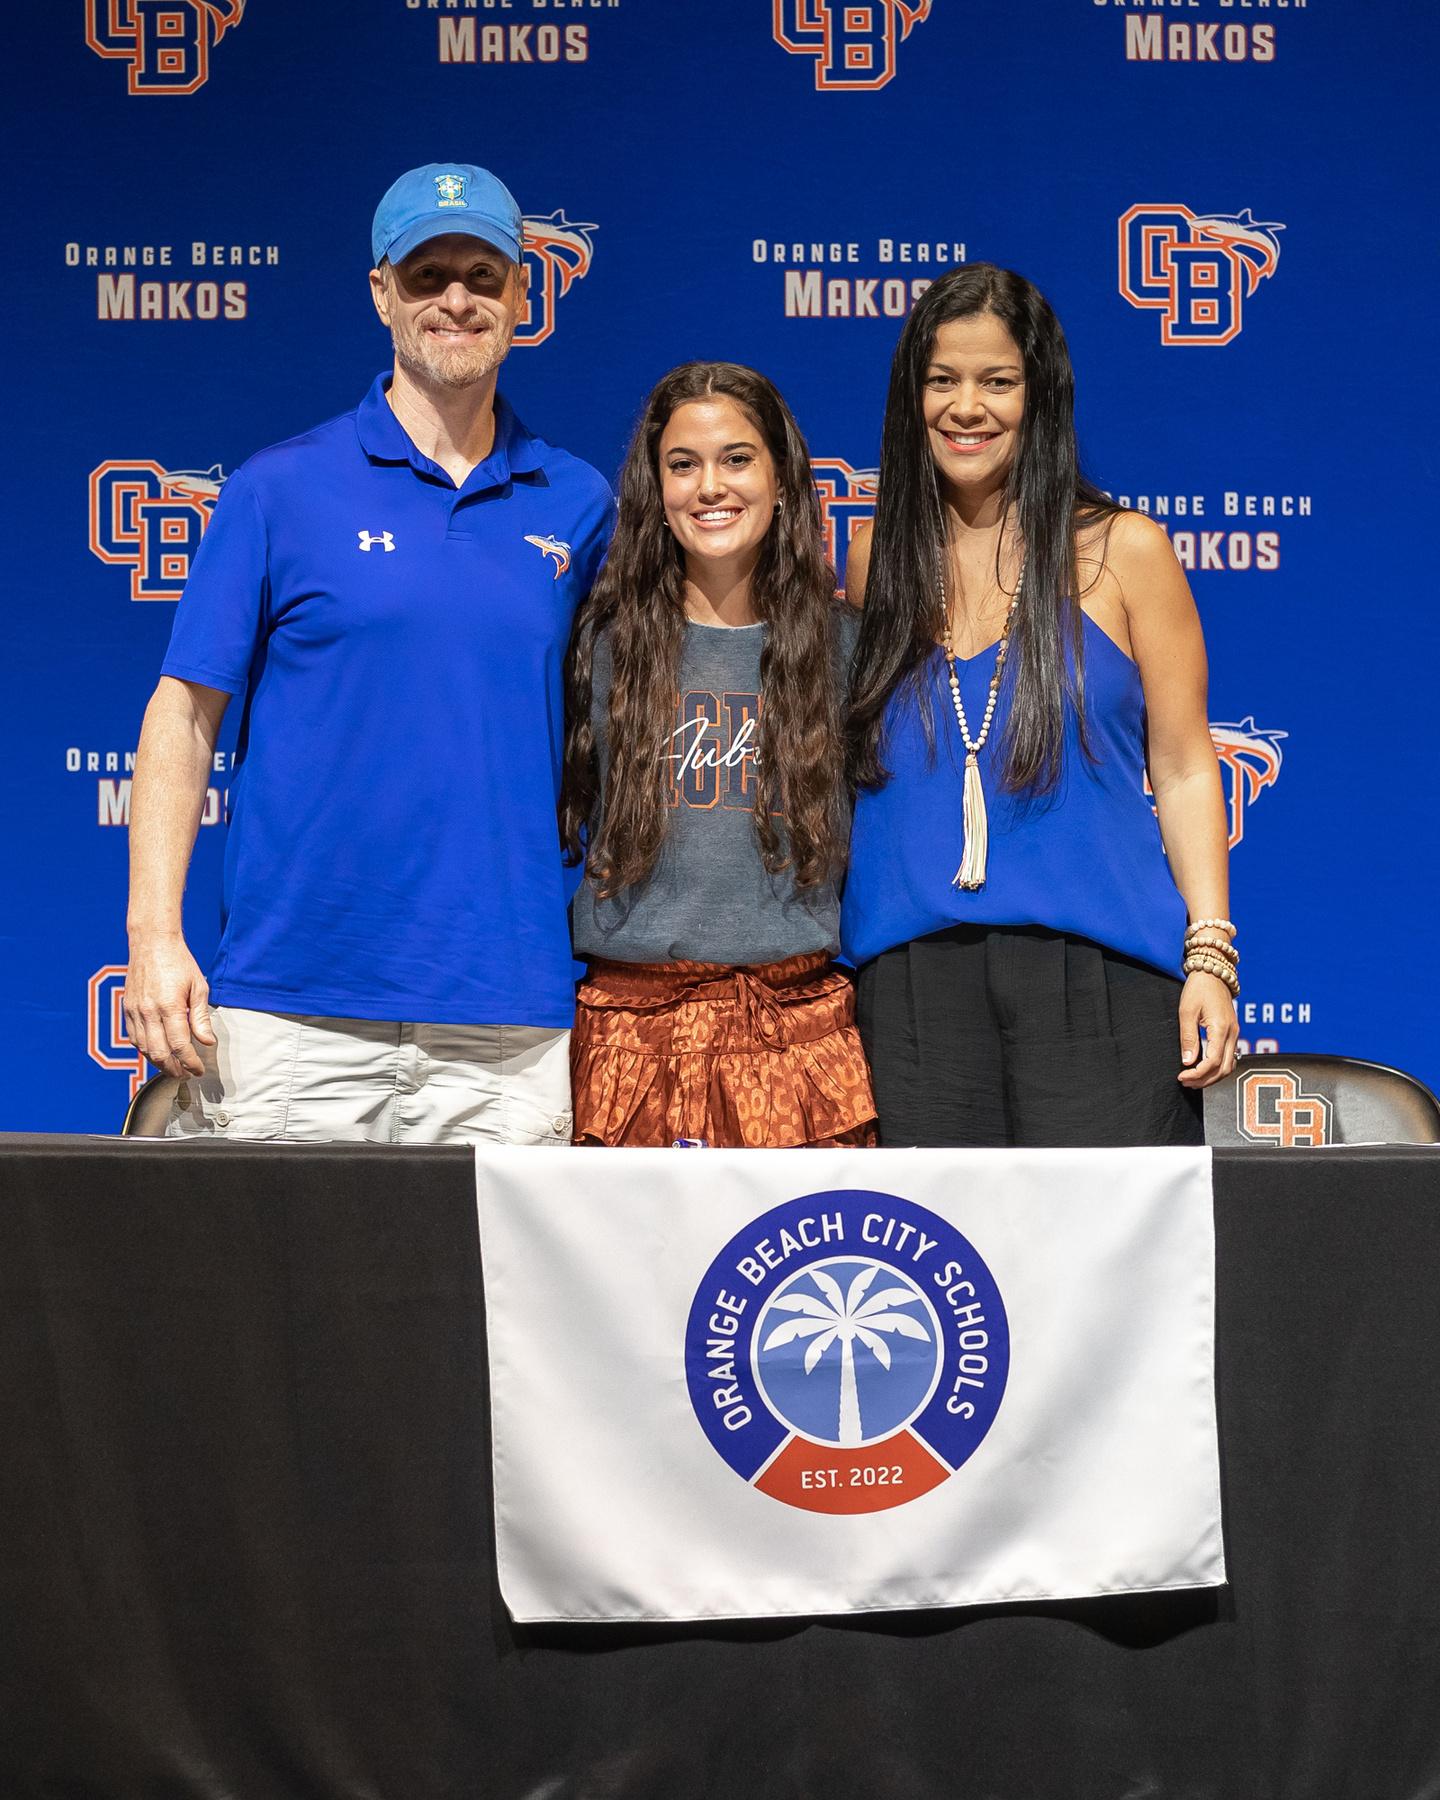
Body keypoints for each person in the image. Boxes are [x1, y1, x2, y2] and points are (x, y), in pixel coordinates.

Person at [122, 163, 613, 1143]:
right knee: (271, 1257)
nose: (457, 299)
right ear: (382, 292)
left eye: (483, 274)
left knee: (494, 1260)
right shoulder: (277, 488)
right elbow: (184, 715)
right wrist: (153, 936)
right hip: (293, 1007)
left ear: (522, 296)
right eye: (428, 275)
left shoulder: (580, 504)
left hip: (507, 1016)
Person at [843, 264, 1238, 1148]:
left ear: (1041, 395)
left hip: (1101, 985)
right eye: (941, 380)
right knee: (938, 1243)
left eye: (997, 381)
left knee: (1109, 1243)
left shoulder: (1125, 551)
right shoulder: (873, 561)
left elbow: (1183, 766)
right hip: (911, 995)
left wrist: (1211, 954)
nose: (966, 407)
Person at [559, 363, 876, 1148]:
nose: (710, 487)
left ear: (782, 478)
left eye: (737, 459)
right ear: (656, 490)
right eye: (683, 464)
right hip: (628, 1034)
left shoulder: (846, 649)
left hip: (800, 1033)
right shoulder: (599, 646)